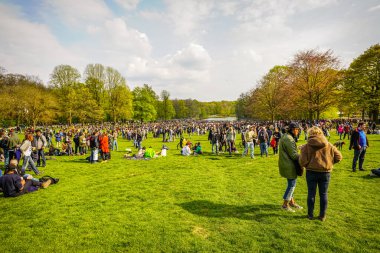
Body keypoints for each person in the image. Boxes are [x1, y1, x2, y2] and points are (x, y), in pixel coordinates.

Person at [299, 126, 342, 221]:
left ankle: (310, 215)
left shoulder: (306, 146)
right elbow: (339, 157)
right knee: (323, 194)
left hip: (311, 172)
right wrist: (329, 163)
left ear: (310, 134)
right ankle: (322, 216)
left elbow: (302, 161)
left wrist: (308, 164)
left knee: (311, 193)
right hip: (325, 172)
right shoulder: (329, 145)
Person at [278, 122, 303, 212]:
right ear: (293, 130)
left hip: (286, 164)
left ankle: (292, 202)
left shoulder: (286, 136)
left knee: (291, 184)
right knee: (292, 185)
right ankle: (285, 205)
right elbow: (293, 155)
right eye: (297, 130)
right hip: (289, 165)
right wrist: (304, 155)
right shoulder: (289, 139)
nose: (298, 131)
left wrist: (298, 148)